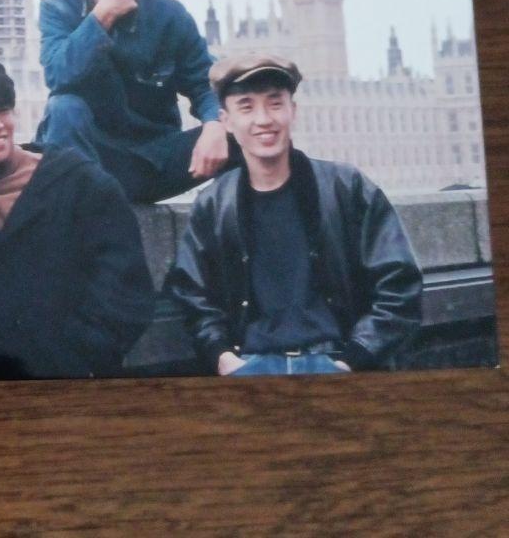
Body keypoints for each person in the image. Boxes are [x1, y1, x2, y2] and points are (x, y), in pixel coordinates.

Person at [166, 53, 423, 377]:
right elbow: (192, 293)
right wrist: (223, 358)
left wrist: (354, 359)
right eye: (247, 107)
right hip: (251, 367)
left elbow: (399, 284)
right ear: (227, 121)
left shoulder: (348, 187)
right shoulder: (213, 204)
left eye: (275, 104)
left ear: (293, 111)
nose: (263, 119)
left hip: (335, 361)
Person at [0, 55, 155, 380]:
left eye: (3, 110)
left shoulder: (82, 184)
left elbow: (126, 292)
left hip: (63, 382)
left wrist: (77, 359)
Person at [37, 0, 240, 203]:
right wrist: (101, 17)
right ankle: (77, 221)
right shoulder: (60, 3)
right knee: (64, 108)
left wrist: (214, 124)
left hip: (153, 161)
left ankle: (220, 220)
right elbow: (58, 76)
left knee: (241, 131)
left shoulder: (168, 15)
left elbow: (206, 82)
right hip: (87, 160)